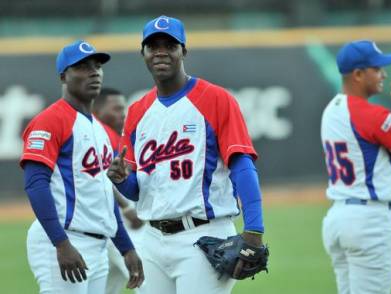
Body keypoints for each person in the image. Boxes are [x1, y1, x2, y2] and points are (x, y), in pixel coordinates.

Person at [106, 15, 266, 294]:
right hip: (152, 239)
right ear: (143, 53)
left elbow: (241, 164)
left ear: (183, 51)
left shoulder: (216, 99)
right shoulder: (137, 111)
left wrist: (254, 230)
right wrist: (121, 181)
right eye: (152, 45)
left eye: (169, 44)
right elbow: (138, 191)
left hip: (203, 237)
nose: (160, 52)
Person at [20, 40, 144, 294]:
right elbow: (35, 184)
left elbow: (103, 194)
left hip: (97, 245)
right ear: (64, 76)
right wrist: (60, 243)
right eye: (83, 67)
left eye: (97, 66)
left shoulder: (101, 131)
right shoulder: (50, 120)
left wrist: (127, 248)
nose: (94, 72)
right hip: (64, 239)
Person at [320, 39, 391, 294]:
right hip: (368, 223)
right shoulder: (370, 114)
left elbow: (365, 149)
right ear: (358, 74)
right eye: (377, 69)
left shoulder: (331, 110)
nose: (384, 74)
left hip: (338, 219)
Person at [92, 88, 144, 294]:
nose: (123, 114)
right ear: (97, 109)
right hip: (116, 221)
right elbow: (99, 178)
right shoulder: (99, 133)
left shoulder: (114, 136)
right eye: (116, 108)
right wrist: (126, 208)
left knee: (106, 287)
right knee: (148, 282)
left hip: (110, 221)